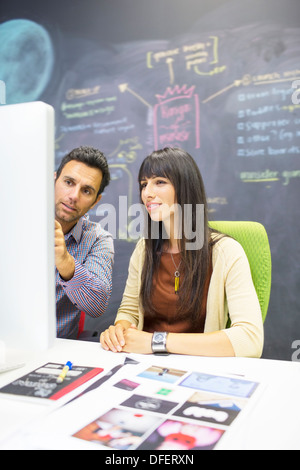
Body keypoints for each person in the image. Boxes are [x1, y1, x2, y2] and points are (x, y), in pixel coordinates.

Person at [100, 147, 264, 357]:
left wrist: (155, 341)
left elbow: (250, 340)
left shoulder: (226, 252)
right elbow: (129, 311)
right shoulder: (144, 248)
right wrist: (120, 330)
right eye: (144, 184)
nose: (147, 193)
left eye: (159, 182)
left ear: (185, 187)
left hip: (199, 371)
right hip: (144, 366)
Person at [55, 146, 114, 339]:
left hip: (58, 349)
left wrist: (65, 262)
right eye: (68, 182)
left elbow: (97, 305)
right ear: (53, 180)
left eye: (86, 191)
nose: (74, 196)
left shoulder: (98, 239)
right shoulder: (11, 221)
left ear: (95, 201)